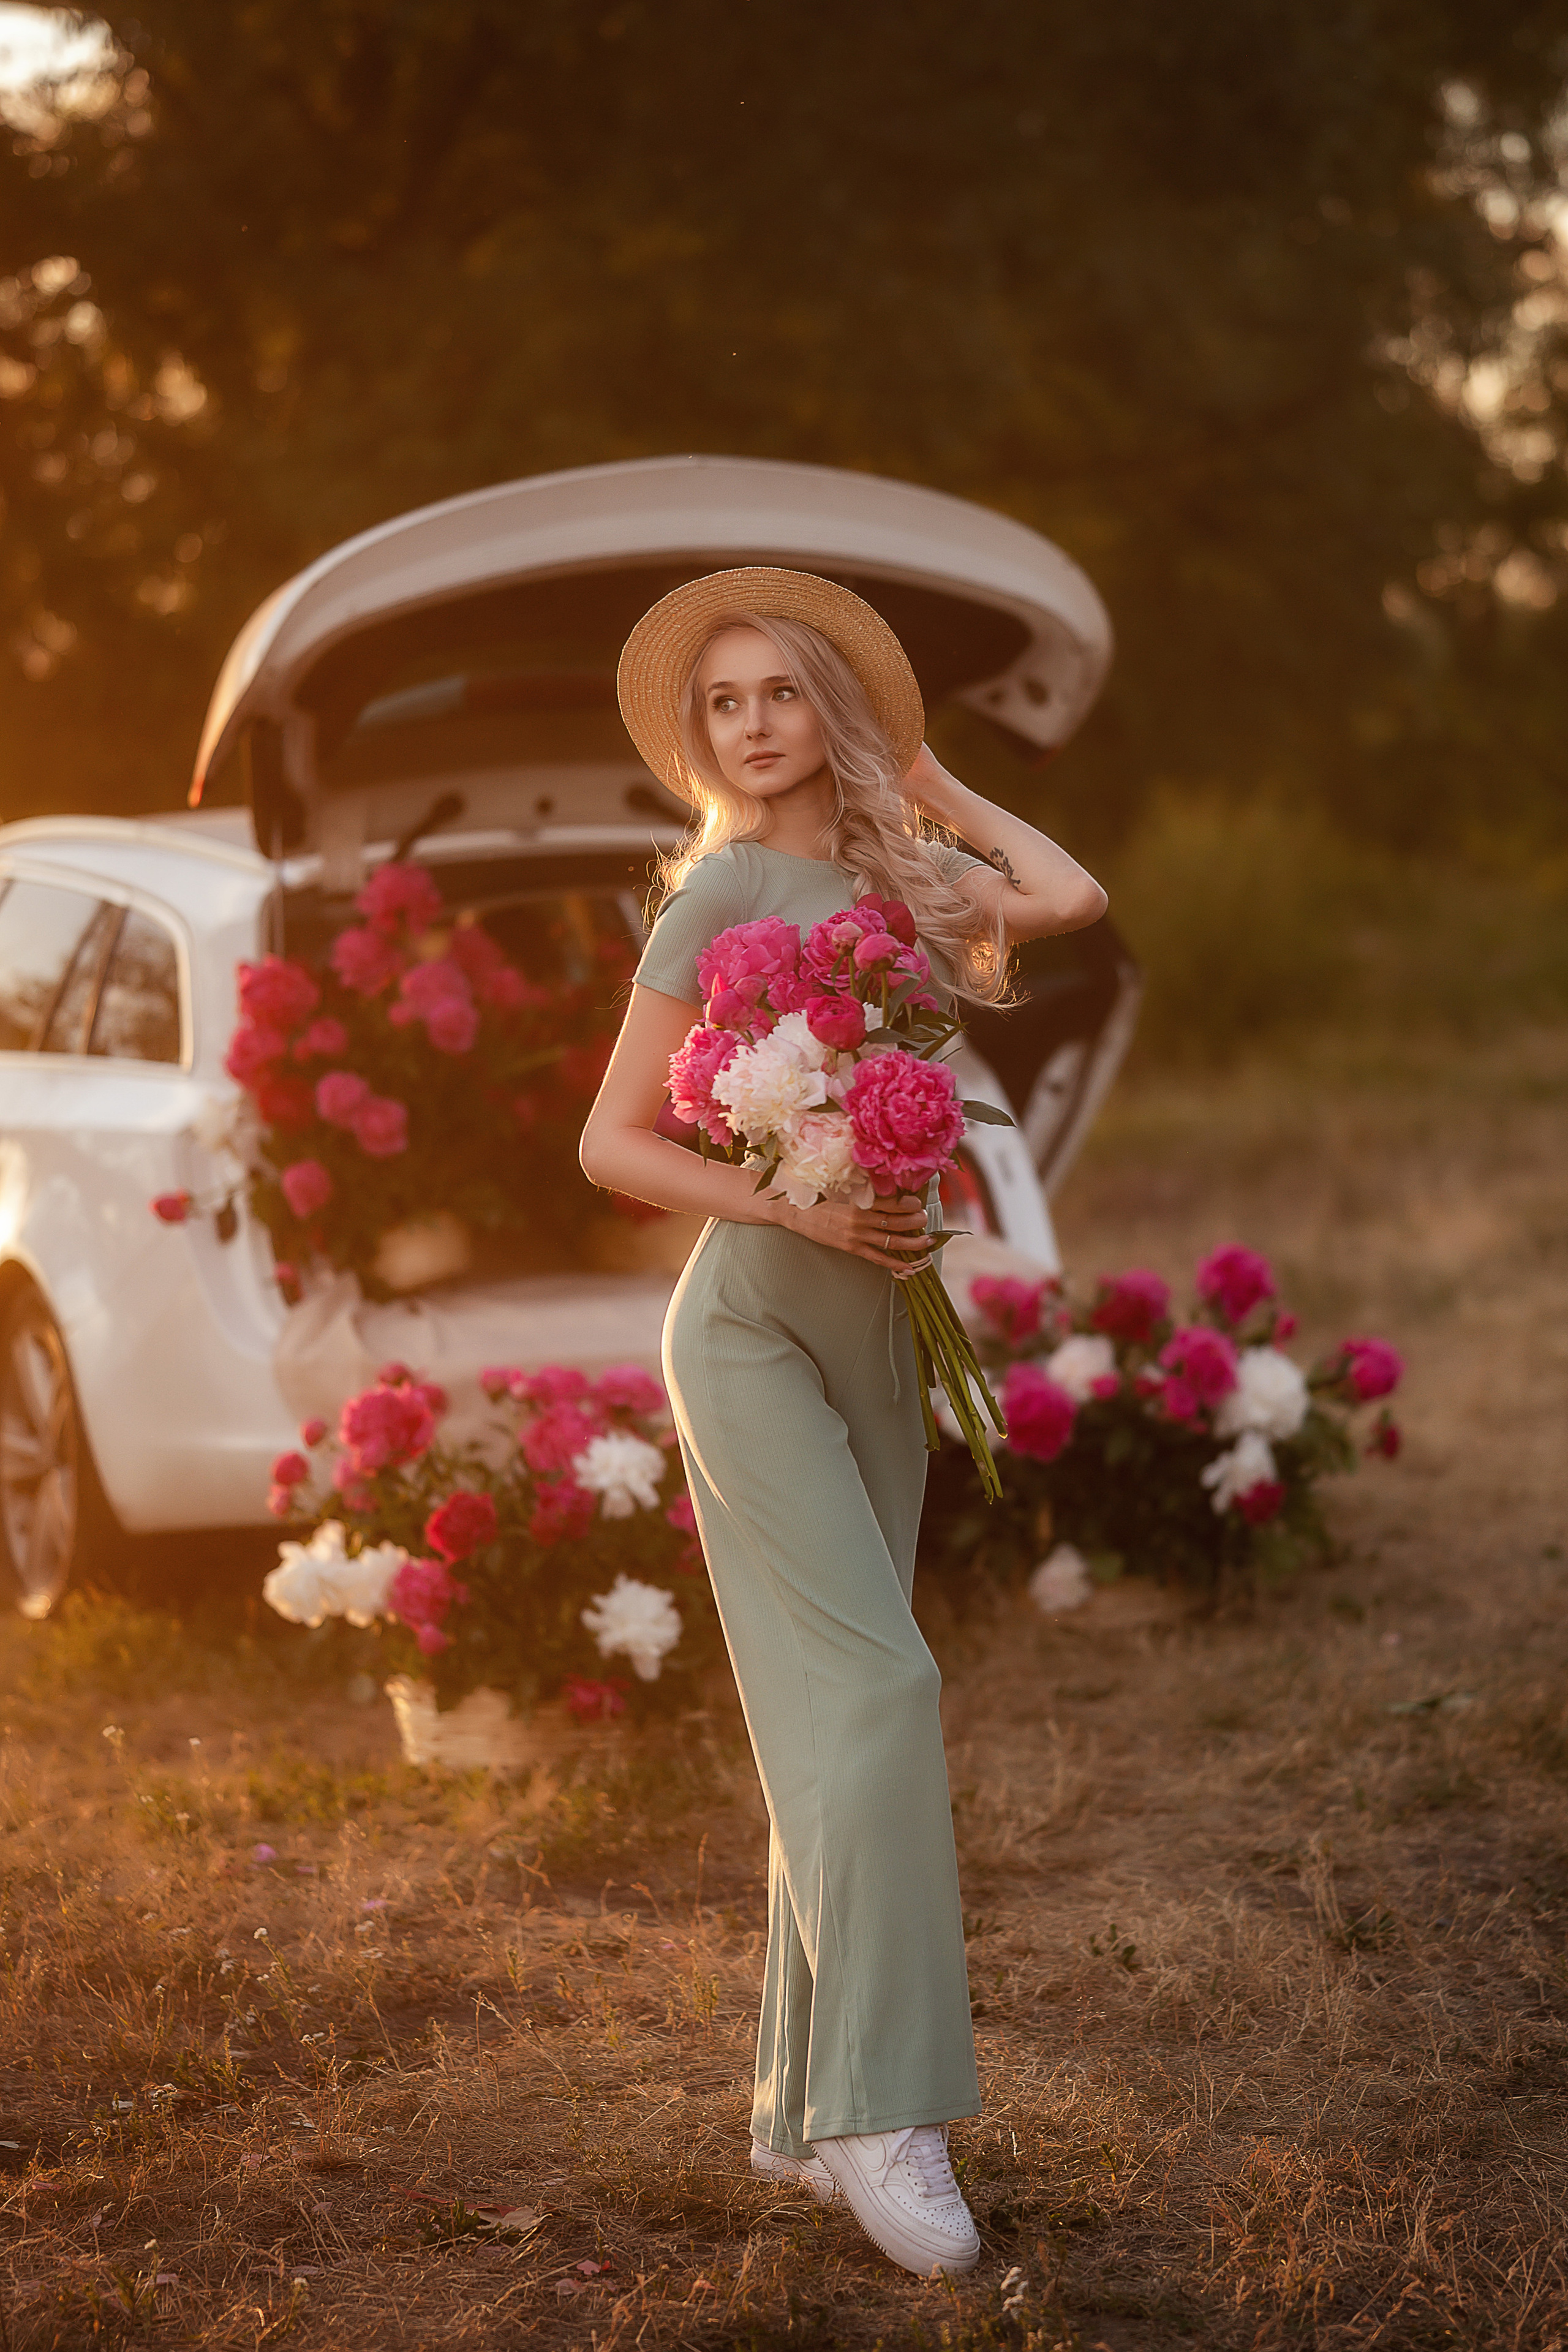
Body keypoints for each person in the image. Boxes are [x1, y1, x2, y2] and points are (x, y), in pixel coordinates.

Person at [580, 568, 1106, 2277]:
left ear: (831, 715)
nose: (748, 724)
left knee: (837, 1719)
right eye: (721, 703)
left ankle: (797, 2112)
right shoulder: (714, 892)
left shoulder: (905, 882)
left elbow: (1071, 891)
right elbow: (612, 1146)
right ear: (702, 737)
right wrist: (798, 1214)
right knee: (880, 1689)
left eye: (780, 695)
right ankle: (893, 2114)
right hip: (750, 1337)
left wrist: (931, 783)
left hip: (884, 1341)